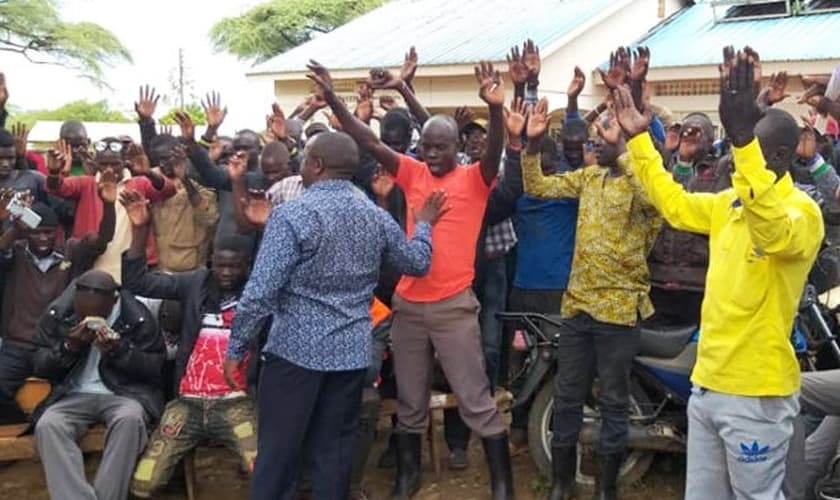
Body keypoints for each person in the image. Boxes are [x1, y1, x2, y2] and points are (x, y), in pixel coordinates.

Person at [616, 46, 822, 500]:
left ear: (783, 156)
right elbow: (671, 203)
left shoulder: (801, 212)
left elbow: (769, 231)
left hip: (755, 394)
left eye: (750, 148)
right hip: (707, 384)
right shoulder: (729, 204)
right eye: (735, 147)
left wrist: (745, 142)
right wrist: (638, 142)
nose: (734, 159)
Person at [313, 58, 515, 499]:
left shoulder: (474, 179)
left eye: (441, 147)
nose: (432, 154)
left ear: (457, 147)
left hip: (454, 306)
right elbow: (367, 140)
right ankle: (406, 480)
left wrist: (496, 109)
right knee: (409, 401)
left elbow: (496, 148)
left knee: (475, 396)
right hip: (408, 305)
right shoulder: (412, 172)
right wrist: (333, 98)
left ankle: (502, 485)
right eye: (427, 146)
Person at [223, 130, 445, 500]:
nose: (301, 167)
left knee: (278, 454)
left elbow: (260, 292)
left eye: (304, 160)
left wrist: (237, 348)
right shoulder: (374, 217)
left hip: (295, 355)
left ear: (318, 165)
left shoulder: (292, 215)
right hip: (349, 356)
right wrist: (424, 225)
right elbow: (417, 262)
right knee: (334, 455)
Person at [522, 94, 662, 500]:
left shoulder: (644, 185)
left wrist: (627, 151)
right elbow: (537, 185)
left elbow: (656, 201)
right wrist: (531, 144)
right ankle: (561, 484)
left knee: (614, 401)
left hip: (618, 312)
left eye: (609, 131)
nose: (597, 137)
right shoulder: (589, 178)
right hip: (579, 308)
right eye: (598, 134)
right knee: (567, 397)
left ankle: (605, 489)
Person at [119, 189, 258, 497]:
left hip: (236, 405)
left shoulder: (258, 293)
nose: (225, 272)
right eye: (220, 265)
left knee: (263, 471)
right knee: (144, 481)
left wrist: (263, 226)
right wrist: (140, 231)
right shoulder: (194, 282)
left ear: (247, 266)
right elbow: (138, 283)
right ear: (211, 261)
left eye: (233, 266)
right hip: (187, 404)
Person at [31, 269, 165, 500]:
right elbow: (39, 365)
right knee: (48, 425)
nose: (88, 319)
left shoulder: (138, 318)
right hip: (73, 393)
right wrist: (69, 347)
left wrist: (119, 351)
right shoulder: (59, 313)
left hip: (124, 393)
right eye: (82, 312)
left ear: (114, 300)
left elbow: (154, 369)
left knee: (129, 420)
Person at [0, 177, 115, 423]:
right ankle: (21, 432)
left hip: (57, 345)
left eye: (49, 234)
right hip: (17, 345)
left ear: (58, 233)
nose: (43, 239)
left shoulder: (71, 251)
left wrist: (108, 206)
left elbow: (102, 239)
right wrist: (15, 228)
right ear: (27, 232)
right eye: (37, 233)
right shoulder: (16, 252)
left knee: (63, 399)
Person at [45, 139, 176, 281]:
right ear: (95, 162)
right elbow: (57, 188)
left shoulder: (139, 183)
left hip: (131, 269)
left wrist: (148, 172)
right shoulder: (86, 183)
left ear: (124, 161)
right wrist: (53, 172)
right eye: (103, 164)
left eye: (114, 164)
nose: (109, 169)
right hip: (93, 267)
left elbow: (168, 190)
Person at [647, 112, 731, 326]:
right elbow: (672, 202)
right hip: (658, 280)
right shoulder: (666, 166)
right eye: (686, 130)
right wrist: (681, 159)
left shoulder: (721, 172)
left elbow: (744, 146)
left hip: (699, 284)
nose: (690, 134)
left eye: (697, 131)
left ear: (710, 140)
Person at [147, 133, 219, 272]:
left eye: (167, 158)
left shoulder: (200, 179)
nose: (162, 164)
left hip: (189, 269)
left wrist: (184, 179)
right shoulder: (149, 179)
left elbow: (209, 217)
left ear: (181, 155)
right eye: (158, 160)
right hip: (156, 269)